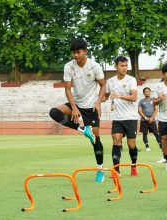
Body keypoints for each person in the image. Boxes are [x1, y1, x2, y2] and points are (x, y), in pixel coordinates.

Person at [49, 38, 106, 183]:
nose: (75, 55)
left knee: (96, 141)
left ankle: (100, 170)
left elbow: (103, 86)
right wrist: (74, 107)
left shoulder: (95, 66)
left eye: (78, 52)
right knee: (54, 112)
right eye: (73, 53)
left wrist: (99, 103)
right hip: (76, 103)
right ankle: (83, 130)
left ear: (85, 51)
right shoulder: (69, 66)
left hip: (91, 106)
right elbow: (67, 89)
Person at [104, 56, 139, 176]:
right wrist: (98, 100)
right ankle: (116, 170)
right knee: (116, 140)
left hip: (130, 117)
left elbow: (134, 97)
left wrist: (119, 96)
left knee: (131, 145)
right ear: (115, 66)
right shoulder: (111, 81)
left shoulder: (131, 80)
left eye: (126, 66)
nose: (124, 68)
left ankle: (133, 166)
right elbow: (106, 95)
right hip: (117, 118)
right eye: (122, 66)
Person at [138, 87, 162, 152]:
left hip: (152, 120)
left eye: (149, 91)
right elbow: (139, 111)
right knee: (145, 134)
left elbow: (156, 109)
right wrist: (145, 117)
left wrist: (152, 118)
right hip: (144, 120)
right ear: (143, 93)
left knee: (156, 133)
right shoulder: (141, 101)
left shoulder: (154, 100)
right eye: (146, 91)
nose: (148, 92)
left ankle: (161, 145)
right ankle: (147, 147)